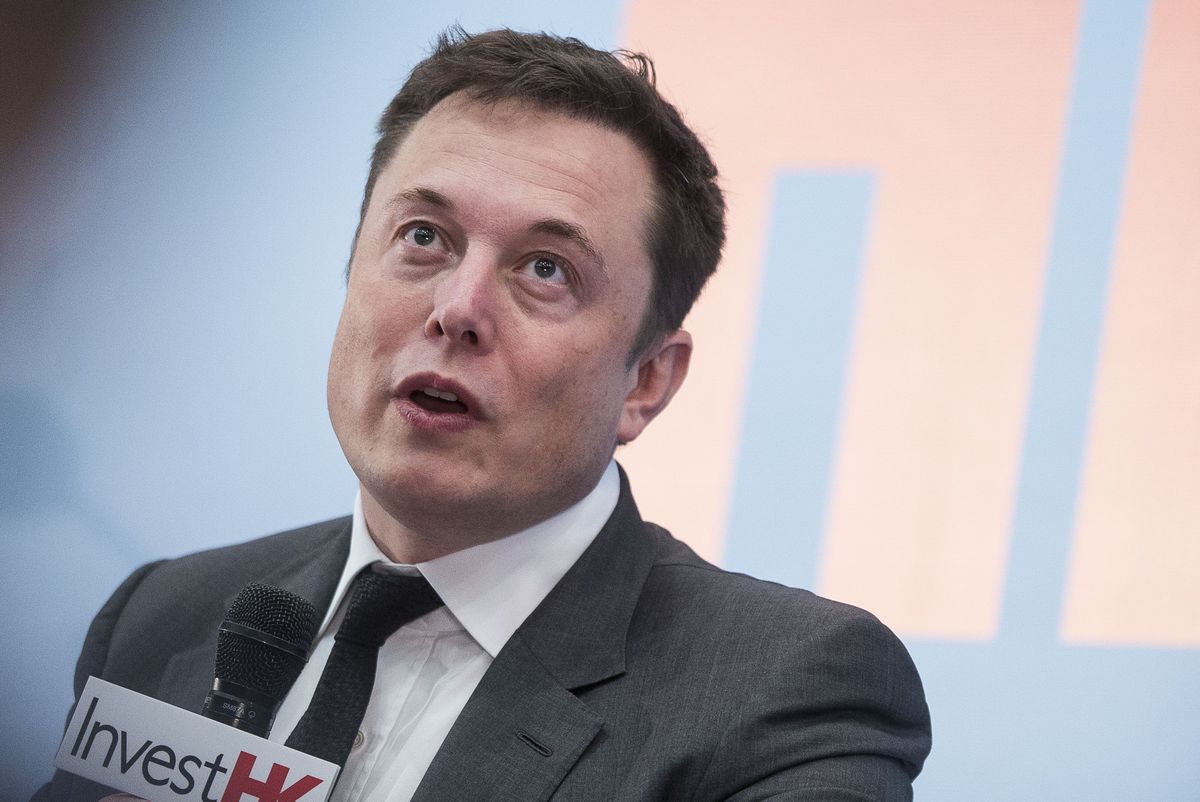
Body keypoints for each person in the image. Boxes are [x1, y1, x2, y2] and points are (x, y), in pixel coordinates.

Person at [35, 28, 931, 801]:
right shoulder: (163, 619)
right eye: (424, 237)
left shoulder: (786, 697)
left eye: (546, 269)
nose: (457, 308)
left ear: (648, 381)